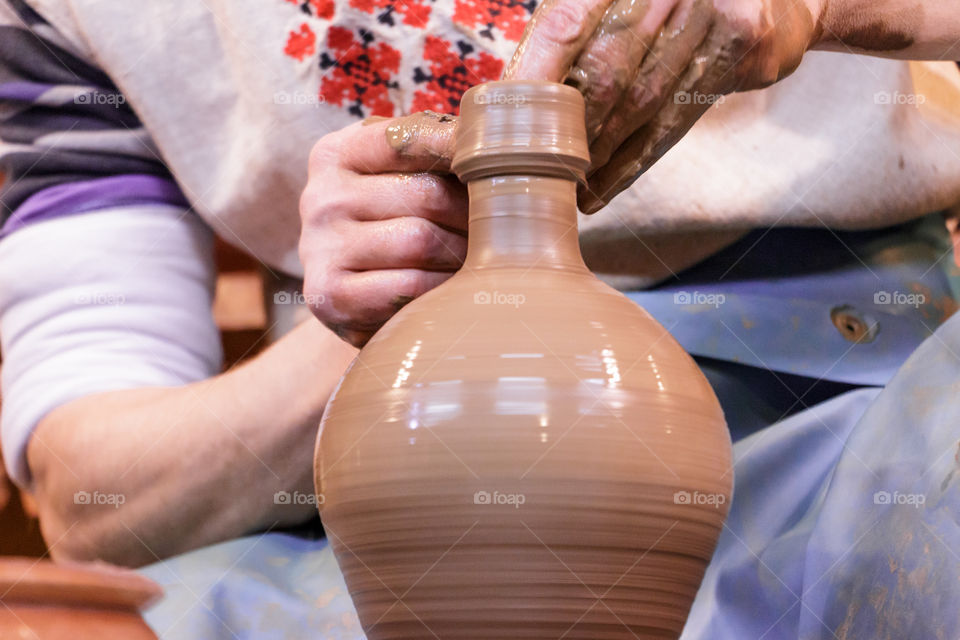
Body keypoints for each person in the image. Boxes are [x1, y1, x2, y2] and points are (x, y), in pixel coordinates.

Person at [1, 0, 960, 637]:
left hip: (854, 393)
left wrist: (837, 9)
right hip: (390, 452)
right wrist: (397, 327)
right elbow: (93, 495)